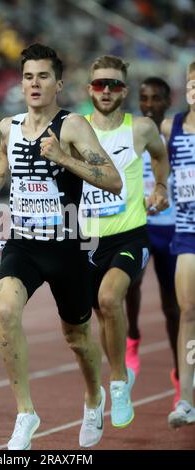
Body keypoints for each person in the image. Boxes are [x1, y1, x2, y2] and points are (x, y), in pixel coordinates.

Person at [0, 44, 122, 450]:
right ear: (20, 84)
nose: (34, 83)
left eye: (42, 76)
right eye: (27, 76)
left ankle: (95, 398)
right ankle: (26, 413)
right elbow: (5, 162)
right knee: (5, 311)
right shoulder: (8, 125)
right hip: (22, 242)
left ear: (58, 84)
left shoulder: (72, 126)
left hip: (67, 247)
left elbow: (113, 180)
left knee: (76, 337)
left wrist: (64, 157)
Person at [79, 55, 170, 428]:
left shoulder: (142, 128)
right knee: (95, 318)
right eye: (99, 84)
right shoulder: (74, 127)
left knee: (109, 298)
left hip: (130, 234)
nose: (106, 90)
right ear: (89, 88)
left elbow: (161, 156)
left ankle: (118, 382)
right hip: (86, 239)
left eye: (113, 84)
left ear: (124, 90)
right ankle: (98, 391)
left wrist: (160, 185)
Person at [125, 77, 180, 408]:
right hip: (140, 225)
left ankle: (178, 375)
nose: (149, 104)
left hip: (173, 228)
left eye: (156, 98)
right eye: (144, 98)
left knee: (172, 308)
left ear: (167, 101)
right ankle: (132, 336)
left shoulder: (180, 134)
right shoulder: (133, 134)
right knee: (129, 282)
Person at [162, 62, 195, 428]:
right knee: (187, 312)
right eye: (191, 85)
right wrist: (157, 191)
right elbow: (156, 170)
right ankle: (186, 399)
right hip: (187, 232)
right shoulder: (171, 128)